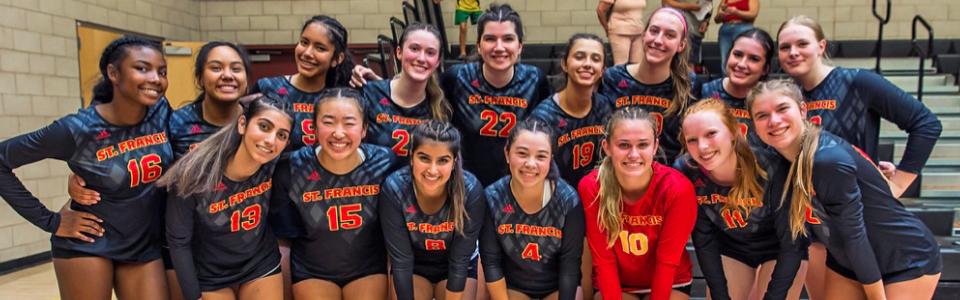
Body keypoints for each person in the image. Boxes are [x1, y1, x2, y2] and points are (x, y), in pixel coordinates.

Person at [68, 40, 255, 300]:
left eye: (236, 68)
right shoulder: (175, 122)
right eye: (216, 67)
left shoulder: (259, 123)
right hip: (182, 246)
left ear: (247, 78)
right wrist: (84, 175)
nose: (227, 75)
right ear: (200, 78)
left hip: (243, 246)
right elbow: (126, 144)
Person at [777, 16, 943, 299]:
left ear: (821, 45)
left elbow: (926, 123)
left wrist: (899, 183)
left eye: (802, 43)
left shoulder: (856, 81)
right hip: (822, 229)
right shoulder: (784, 100)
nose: (793, 52)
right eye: (784, 46)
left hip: (868, 221)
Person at [0, 36, 172, 300]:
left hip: (143, 243)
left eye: (161, 71)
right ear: (113, 73)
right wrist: (51, 221)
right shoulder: (77, 129)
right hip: (90, 243)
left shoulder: (161, 112)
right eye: (142, 68)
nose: (155, 78)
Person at [747, 79, 942, 300]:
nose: (774, 120)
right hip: (847, 261)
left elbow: (854, 234)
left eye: (782, 109)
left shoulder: (826, 160)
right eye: (762, 115)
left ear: (802, 110)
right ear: (754, 125)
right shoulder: (780, 162)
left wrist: (877, 297)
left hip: (904, 258)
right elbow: (792, 242)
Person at [352, 4, 551, 186]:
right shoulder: (457, 78)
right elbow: (420, 88)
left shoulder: (535, 80)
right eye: (490, 38)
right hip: (464, 186)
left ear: (520, 46)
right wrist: (382, 86)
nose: (499, 47)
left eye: (508, 39)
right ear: (479, 46)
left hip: (517, 184)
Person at [159, 95, 292, 300]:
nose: (270, 140)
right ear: (242, 124)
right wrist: (194, 296)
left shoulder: (275, 164)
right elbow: (178, 241)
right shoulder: (194, 172)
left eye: (281, 135)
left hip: (259, 264)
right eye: (264, 127)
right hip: (210, 275)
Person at [271, 88, 396, 300]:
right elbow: (283, 240)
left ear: (364, 128)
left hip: (368, 269)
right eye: (328, 122)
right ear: (313, 127)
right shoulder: (292, 167)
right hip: (312, 271)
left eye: (349, 123)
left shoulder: (385, 163)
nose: (338, 133)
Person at [676, 98, 806, 300]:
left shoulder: (770, 167)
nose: (702, 147)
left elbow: (792, 242)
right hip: (732, 247)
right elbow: (704, 239)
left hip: (779, 247)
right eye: (692, 139)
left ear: (734, 131)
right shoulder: (687, 171)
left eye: (711, 134)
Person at [579, 108, 697, 300]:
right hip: (618, 284)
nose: (633, 154)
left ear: (655, 146)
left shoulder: (677, 188)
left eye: (643, 145)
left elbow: (667, 262)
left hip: (671, 283)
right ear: (607, 147)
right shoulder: (592, 187)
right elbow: (603, 261)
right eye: (623, 145)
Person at [379, 120, 485, 300]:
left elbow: (460, 260)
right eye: (424, 158)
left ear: (454, 162)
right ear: (411, 156)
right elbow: (401, 260)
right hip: (413, 265)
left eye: (443, 160)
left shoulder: (471, 190)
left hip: (457, 265)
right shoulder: (394, 189)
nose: (432, 170)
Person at [481, 120, 585, 300]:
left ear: (551, 159)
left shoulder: (568, 200)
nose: (530, 164)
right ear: (507, 153)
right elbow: (491, 262)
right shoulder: (492, 197)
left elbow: (570, 266)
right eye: (522, 154)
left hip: (556, 289)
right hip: (512, 288)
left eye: (541, 156)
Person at [600, 7, 698, 164]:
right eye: (654, 31)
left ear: (681, 45)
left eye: (670, 35)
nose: (658, 40)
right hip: (623, 170)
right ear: (644, 35)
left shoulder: (690, 84)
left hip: (668, 176)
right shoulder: (613, 78)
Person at [253, 15, 355, 152]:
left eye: (320, 48)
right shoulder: (267, 88)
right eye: (304, 42)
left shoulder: (341, 99)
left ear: (337, 58)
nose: (307, 53)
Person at [528, 33, 613, 188]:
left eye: (595, 59)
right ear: (564, 64)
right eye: (579, 57)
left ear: (602, 70)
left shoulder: (605, 107)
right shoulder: (543, 118)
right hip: (560, 200)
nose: (587, 64)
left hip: (598, 195)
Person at [360, 23, 451, 164]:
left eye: (430, 53)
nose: (421, 58)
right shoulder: (370, 94)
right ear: (399, 52)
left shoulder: (442, 107)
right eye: (414, 49)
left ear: (438, 61)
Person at [700, 28, 774, 147]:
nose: (741, 64)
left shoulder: (771, 102)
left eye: (754, 59)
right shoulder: (704, 92)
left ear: (766, 68)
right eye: (737, 55)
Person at [662, 0, 710, 70]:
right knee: (671, 62)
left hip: (694, 30)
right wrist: (688, 6)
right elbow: (666, 2)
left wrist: (706, 20)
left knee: (690, 64)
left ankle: (688, 80)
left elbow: (709, 4)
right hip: (674, 28)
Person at [714, 0, 758, 75]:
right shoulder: (725, 1)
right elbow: (716, 20)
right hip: (726, 29)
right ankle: (726, 81)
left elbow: (753, 14)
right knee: (725, 59)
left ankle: (743, 80)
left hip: (744, 28)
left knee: (743, 56)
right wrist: (720, 15)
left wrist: (737, 12)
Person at [597, 0, 646, 64]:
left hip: (638, 31)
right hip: (620, 31)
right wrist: (607, 28)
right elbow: (600, 10)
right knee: (621, 65)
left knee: (637, 65)